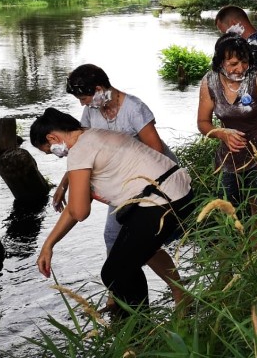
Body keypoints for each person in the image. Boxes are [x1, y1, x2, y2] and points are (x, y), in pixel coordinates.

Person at [31, 108, 193, 312]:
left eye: (49, 150)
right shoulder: (94, 134)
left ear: (52, 137)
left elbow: (79, 212)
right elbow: (76, 207)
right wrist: (50, 243)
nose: (56, 156)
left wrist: (48, 245)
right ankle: (181, 295)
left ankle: (139, 331)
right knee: (142, 249)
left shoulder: (79, 151)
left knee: (115, 273)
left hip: (162, 201)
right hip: (178, 192)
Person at [62, 64, 184, 304]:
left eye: (84, 97)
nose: (82, 104)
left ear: (99, 89)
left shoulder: (134, 109)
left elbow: (157, 152)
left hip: (157, 184)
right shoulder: (92, 113)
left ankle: (177, 292)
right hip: (122, 187)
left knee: (142, 241)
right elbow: (82, 150)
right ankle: (119, 290)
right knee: (113, 236)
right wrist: (64, 184)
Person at [198, 33, 257, 214]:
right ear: (219, 63)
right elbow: (203, 122)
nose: (240, 68)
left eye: (245, 62)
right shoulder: (208, 82)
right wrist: (221, 133)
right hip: (230, 158)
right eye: (233, 64)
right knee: (231, 213)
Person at [215, 5, 257, 102]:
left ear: (233, 24)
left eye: (225, 33)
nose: (227, 38)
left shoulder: (254, 51)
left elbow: (253, 92)